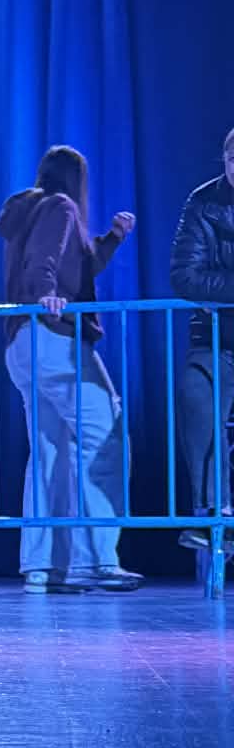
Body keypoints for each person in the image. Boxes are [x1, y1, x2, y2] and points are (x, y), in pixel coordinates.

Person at [0, 146, 141, 592]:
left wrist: (111, 239)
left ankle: (44, 565)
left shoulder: (29, 212)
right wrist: (46, 294)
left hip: (22, 343)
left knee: (50, 451)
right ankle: (95, 559)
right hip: (54, 337)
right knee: (104, 436)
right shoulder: (60, 206)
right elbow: (45, 260)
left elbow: (78, 263)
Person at [168, 130, 234, 553]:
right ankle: (214, 514)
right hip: (218, 339)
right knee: (197, 394)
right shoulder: (203, 202)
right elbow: (184, 276)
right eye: (233, 159)